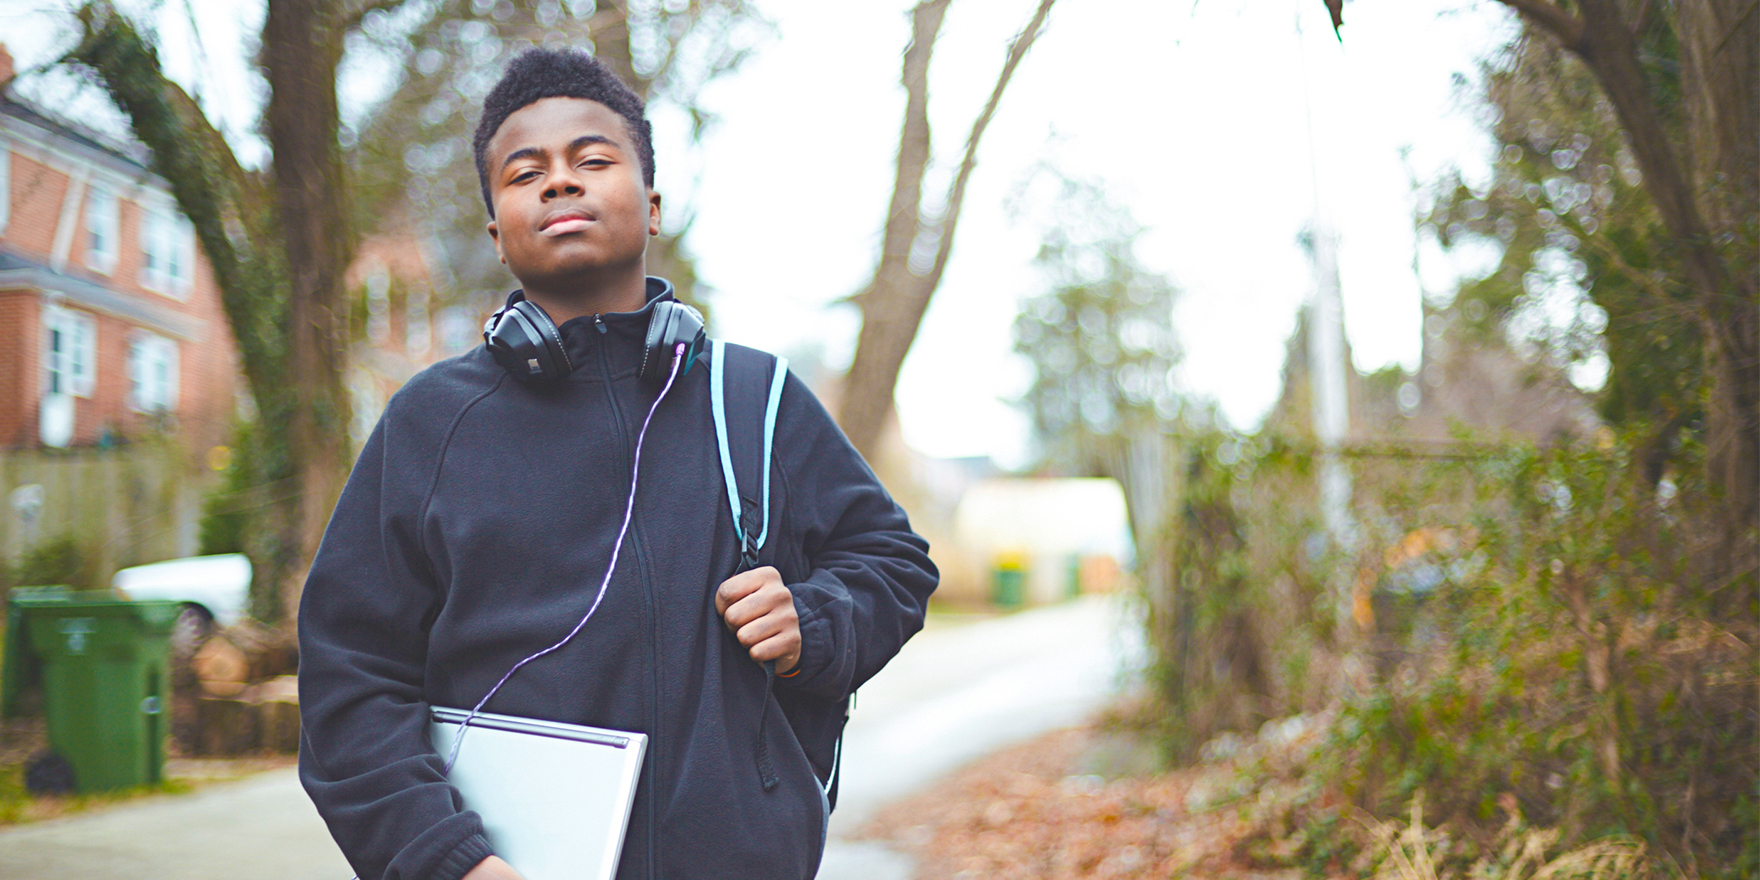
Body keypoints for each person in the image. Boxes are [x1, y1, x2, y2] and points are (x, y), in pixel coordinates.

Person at [297, 47, 938, 880]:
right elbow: (351, 680)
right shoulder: (431, 423)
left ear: (653, 205)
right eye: (525, 174)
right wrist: (446, 861)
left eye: (592, 160)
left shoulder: (755, 398)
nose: (559, 183)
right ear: (496, 231)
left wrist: (810, 623)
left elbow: (893, 565)